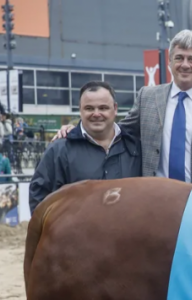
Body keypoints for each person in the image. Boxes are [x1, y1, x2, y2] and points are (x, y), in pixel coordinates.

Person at [54, 30, 192, 183]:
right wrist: (78, 129)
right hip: (153, 200)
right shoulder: (147, 97)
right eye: (179, 58)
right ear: (170, 62)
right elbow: (117, 131)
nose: (185, 65)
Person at [29, 81, 142, 214]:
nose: (96, 114)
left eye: (103, 108)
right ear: (80, 110)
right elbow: (39, 200)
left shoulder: (135, 148)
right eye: (89, 108)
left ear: (115, 109)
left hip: (127, 233)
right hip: (77, 234)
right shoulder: (59, 150)